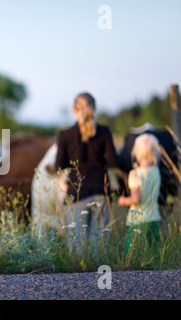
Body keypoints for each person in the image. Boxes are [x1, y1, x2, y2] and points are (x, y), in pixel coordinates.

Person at [55, 92, 118, 253]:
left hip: (76, 194)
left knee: (77, 248)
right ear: (94, 110)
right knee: (99, 246)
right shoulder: (104, 132)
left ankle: (78, 278)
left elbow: (59, 167)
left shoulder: (65, 135)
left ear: (73, 111)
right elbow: (113, 162)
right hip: (100, 192)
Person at [118, 133, 162, 252]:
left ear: (136, 152)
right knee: (153, 254)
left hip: (137, 222)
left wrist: (122, 201)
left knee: (134, 255)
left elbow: (136, 199)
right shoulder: (156, 171)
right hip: (154, 218)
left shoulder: (135, 174)